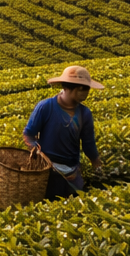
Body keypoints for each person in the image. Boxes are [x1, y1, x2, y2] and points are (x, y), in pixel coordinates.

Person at [23, 65, 105, 199]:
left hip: (72, 171)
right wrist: (37, 153)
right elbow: (29, 134)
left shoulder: (85, 114)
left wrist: (96, 163)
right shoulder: (46, 107)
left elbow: (88, 143)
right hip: (48, 170)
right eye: (83, 88)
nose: (87, 92)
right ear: (70, 87)